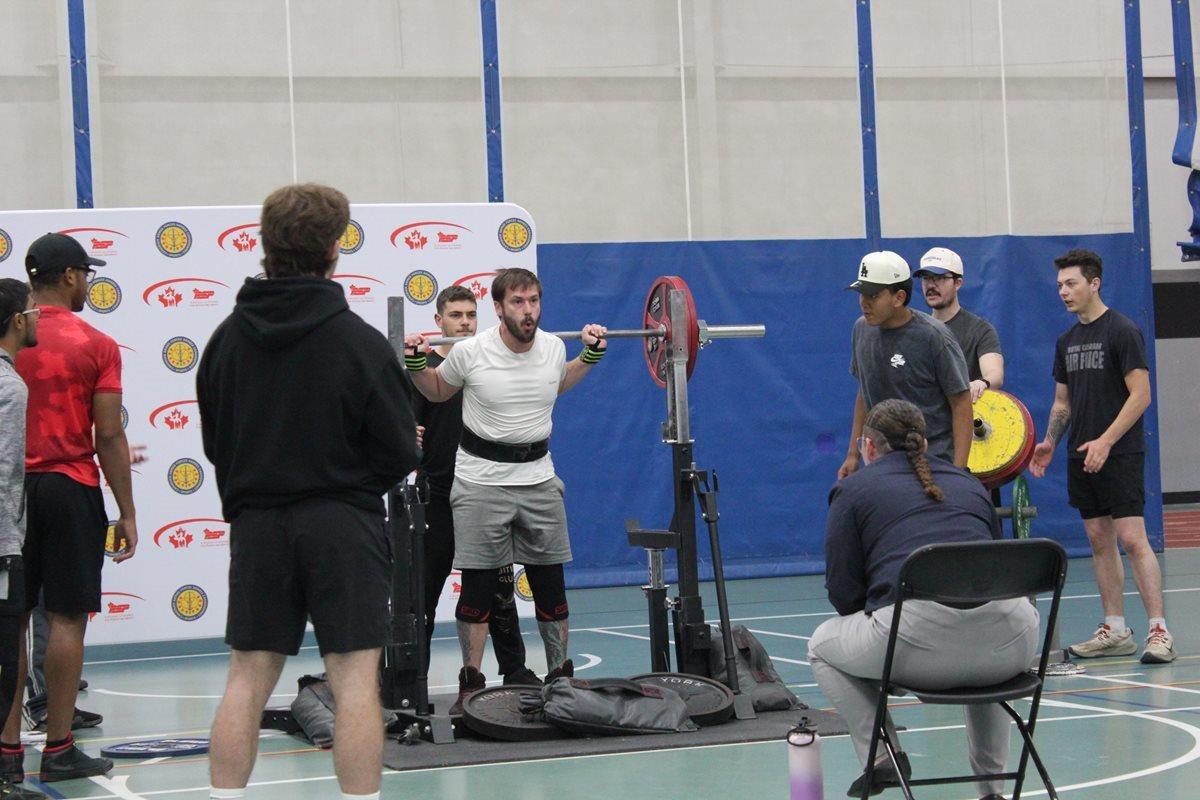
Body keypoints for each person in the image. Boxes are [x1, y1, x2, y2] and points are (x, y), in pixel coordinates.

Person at [198, 183, 420, 800]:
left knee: (246, 677)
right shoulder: (359, 342)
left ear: (266, 246)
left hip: (259, 525)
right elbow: (401, 450)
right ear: (332, 249)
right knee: (354, 683)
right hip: (343, 525)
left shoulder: (224, 341)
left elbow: (217, 444)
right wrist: (348, 484)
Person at [809, 399, 1039, 800]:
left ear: (868, 447)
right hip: (1011, 645)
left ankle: (883, 756)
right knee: (983, 619)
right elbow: (996, 573)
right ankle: (992, 790)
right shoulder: (972, 485)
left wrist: (881, 630)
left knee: (820, 647)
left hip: (918, 646)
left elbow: (843, 594)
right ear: (926, 443)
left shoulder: (852, 490)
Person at [403, 268, 607, 714]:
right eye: (517, 302)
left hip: (539, 479)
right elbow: (436, 391)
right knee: (477, 588)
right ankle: (471, 685)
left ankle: (560, 679)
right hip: (480, 482)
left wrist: (589, 356)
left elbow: (559, 380)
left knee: (551, 585)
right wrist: (417, 363)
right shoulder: (470, 352)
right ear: (498, 308)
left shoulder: (553, 347)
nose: (528, 310)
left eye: (533, 300)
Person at [1, 233, 137, 784]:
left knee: (11, 624)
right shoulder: (96, 343)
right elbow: (109, 435)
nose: (88, 283)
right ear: (69, 277)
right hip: (68, 487)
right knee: (65, 619)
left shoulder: (11, 336)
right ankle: (58, 748)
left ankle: (7, 750)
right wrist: (127, 512)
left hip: (11, 495)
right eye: (87, 273)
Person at [1030, 248, 1173, 663]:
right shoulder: (1066, 341)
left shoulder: (1122, 331)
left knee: (1132, 539)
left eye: (1071, 283)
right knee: (1098, 539)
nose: (1063, 291)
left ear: (1094, 284)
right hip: (1081, 454)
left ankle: (1159, 631)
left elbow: (1141, 395)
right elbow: (1063, 402)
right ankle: (1115, 628)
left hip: (1119, 452)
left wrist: (1106, 441)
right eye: (1060, 285)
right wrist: (1050, 441)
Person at [411, 286, 537, 685]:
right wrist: (406, 437)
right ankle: (410, 681)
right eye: (456, 315)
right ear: (439, 321)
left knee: (498, 592)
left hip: (486, 494)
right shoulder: (424, 371)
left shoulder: (489, 365)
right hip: (437, 497)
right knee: (421, 596)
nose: (465, 322)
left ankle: (514, 671)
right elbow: (403, 432)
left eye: (470, 315)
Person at [839, 251, 972, 479]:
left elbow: (961, 403)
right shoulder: (861, 329)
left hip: (934, 466)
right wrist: (853, 455)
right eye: (861, 294)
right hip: (882, 467)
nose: (864, 303)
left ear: (899, 298)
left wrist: (959, 473)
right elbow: (864, 391)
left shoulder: (935, 337)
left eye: (873, 295)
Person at [0, 278, 48, 800]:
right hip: (1, 547)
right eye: (34, 311)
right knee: (5, 661)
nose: (39, 318)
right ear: (18, 320)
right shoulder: (11, 388)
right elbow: (6, 473)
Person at [913, 247, 1004, 403]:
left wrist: (981, 383)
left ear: (958, 283)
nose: (931, 285)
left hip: (963, 413)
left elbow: (995, 374)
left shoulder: (980, 330)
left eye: (939, 278)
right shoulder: (916, 331)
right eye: (926, 278)